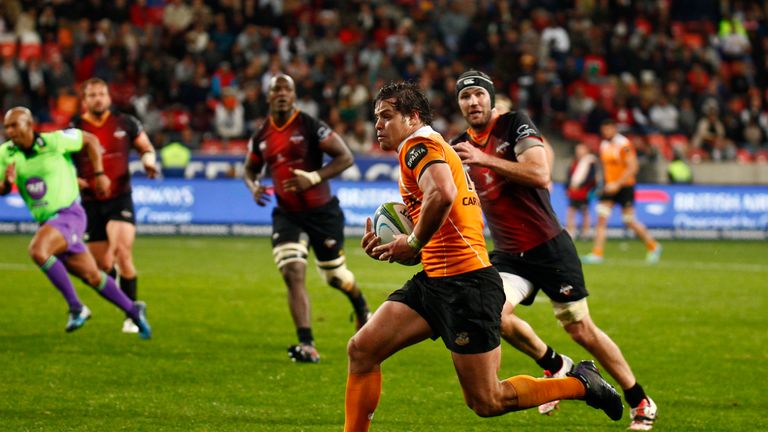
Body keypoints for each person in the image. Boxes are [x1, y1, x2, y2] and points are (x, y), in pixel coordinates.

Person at [344, 81, 623, 432]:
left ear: (413, 117)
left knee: (487, 401)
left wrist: (412, 242)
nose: (378, 125)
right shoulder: (431, 147)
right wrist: (399, 247)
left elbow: (442, 194)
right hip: (436, 280)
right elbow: (443, 217)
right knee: (362, 350)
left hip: (466, 287)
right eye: (376, 118)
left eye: (386, 116)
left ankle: (582, 384)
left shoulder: (418, 146)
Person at [450, 71, 656, 430]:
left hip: (549, 247)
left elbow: (540, 174)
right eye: (465, 97)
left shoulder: (515, 124)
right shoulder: (458, 146)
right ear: (459, 104)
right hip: (511, 254)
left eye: (479, 95)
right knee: (492, 314)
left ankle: (639, 398)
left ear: (491, 98)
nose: (473, 102)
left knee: (581, 329)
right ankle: (556, 366)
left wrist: (484, 161)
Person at [243, 74, 370, 363]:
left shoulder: (310, 125)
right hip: (287, 214)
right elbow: (249, 169)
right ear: (269, 97)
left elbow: (345, 157)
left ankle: (360, 305)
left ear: (294, 95)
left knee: (335, 277)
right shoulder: (262, 134)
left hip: (322, 213)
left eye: (287, 89)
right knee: (292, 272)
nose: (282, 94)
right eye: (276, 89)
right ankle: (307, 344)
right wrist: (253, 187)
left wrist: (313, 177)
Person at [0, 107, 151, 339]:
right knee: (92, 275)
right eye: (7, 126)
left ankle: (76, 307)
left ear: (29, 125)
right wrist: (6, 183)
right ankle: (134, 310)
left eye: (14, 125)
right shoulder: (5, 153)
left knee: (38, 251)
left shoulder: (56, 140)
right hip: (47, 223)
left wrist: (98, 174)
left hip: (69, 215)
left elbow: (90, 140)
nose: (9, 131)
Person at [70, 78, 159, 334]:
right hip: (90, 202)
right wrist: (77, 181)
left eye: (102, 94)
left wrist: (149, 162)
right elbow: (61, 164)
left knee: (122, 253)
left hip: (120, 197)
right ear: (84, 100)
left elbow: (145, 147)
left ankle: (132, 315)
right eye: (92, 95)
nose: (98, 98)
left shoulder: (125, 122)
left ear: (108, 97)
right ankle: (120, 286)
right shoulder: (75, 129)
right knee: (103, 264)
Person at [582, 118, 663, 264]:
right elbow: (605, 167)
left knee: (629, 221)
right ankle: (597, 253)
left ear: (614, 129)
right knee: (601, 218)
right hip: (609, 187)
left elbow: (633, 167)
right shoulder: (604, 144)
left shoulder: (624, 144)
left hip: (625, 186)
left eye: (608, 129)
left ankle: (653, 246)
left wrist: (617, 184)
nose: (605, 132)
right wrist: (603, 183)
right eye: (604, 129)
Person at [565, 142, 598, 239]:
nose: (579, 151)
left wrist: (581, 185)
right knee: (571, 210)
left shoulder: (590, 162)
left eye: (581, 149)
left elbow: (591, 177)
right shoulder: (574, 162)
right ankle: (571, 231)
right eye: (578, 149)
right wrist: (568, 187)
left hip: (584, 191)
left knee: (585, 211)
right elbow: (569, 176)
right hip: (573, 191)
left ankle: (586, 232)